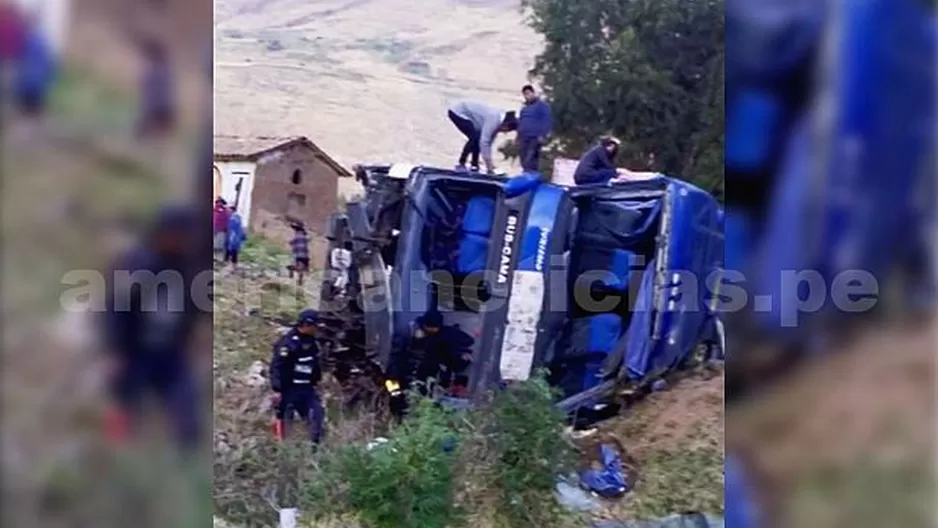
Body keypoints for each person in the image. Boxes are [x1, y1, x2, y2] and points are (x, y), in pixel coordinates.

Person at [102, 204, 201, 451]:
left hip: (170, 352)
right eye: (182, 235)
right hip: (136, 351)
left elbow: (193, 305)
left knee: (186, 414)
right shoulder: (137, 263)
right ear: (165, 232)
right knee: (126, 406)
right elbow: (116, 308)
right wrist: (115, 352)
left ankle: (185, 464)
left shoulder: (186, 265)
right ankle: (116, 458)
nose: (187, 241)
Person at [269, 309, 325, 444]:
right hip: (289, 389)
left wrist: (317, 380)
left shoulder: (313, 343)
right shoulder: (287, 343)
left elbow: (314, 363)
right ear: (307, 325)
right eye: (314, 326)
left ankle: (315, 450)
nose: (317, 329)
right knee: (284, 420)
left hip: (307, 389)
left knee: (316, 417)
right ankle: (281, 449)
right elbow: (277, 366)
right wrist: (277, 389)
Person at [408, 311, 474, 394]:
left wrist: (461, 354)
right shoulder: (420, 330)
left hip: (441, 359)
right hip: (428, 358)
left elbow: (456, 346)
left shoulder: (446, 334)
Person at [447, 99, 518, 174]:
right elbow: (484, 143)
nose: (503, 132)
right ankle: (461, 164)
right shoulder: (493, 119)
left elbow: (488, 144)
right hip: (457, 111)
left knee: (478, 138)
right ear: (505, 126)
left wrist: (490, 164)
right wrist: (489, 168)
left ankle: (474, 165)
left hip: (471, 116)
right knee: (474, 137)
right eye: (505, 131)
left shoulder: (500, 121)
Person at [14, 13, 55, 119]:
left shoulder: (30, 39)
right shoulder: (38, 39)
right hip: (33, 82)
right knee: (32, 112)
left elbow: (20, 58)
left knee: (28, 111)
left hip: (30, 82)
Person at [136, 38, 175, 139]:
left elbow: (153, 93)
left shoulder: (155, 70)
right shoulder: (164, 69)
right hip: (163, 108)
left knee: (145, 134)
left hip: (157, 109)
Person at [517, 85, 553, 173]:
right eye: (524, 94)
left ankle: (531, 176)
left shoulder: (542, 106)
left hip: (534, 138)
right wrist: (518, 137)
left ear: (533, 93)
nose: (526, 96)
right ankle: (526, 176)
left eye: (528, 94)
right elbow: (520, 122)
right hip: (523, 138)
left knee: (530, 160)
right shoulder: (524, 109)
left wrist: (542, 135)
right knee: (523, 160)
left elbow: (547, 120)